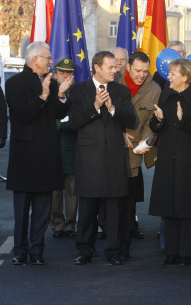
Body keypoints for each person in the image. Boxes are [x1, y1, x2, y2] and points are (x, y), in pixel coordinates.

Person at [6, 42, 72, 265]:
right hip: (25, 158)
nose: (51, 62)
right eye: (48, 58)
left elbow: (59, 113)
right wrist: (42, 96)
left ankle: (37, 251)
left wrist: (61, 95)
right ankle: (19, 250)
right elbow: (23, 114)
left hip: (47, 155)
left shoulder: (51, 83)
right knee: (22, 211)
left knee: (43, 210)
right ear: (35, 60)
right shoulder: (13, 83)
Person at [69, 51, 138, 266]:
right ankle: (85, 249)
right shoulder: (80, 91)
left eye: (115, 66)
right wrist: (96, 107)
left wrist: (112, 108)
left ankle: (114, 250)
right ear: (96, 67)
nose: (114, 70)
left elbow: (132, 120)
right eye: (109, 67)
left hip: (115, 158)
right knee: (88, 206)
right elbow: (74, 123)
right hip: (89, 158)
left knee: (114, 207)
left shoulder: (121, 91)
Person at [149, 59, 191, 266]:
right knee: (169, 207)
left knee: (188, 208)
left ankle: (185, 253)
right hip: (169, 158)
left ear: (185, 76)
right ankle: (170, 253)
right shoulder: (166, 95)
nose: (168, 77)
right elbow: (158, 127)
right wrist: (157, 120)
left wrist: (185, 119)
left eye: (173, 74)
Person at [116, 51, 161, 257]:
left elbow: (152, 121)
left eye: (145, 71)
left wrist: (146, 141)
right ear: (128, 68)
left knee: (127, 204)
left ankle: (123, 248)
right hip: (110, 150)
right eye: (137, 71)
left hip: (134, 152)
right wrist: (119, 134)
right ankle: (108, 242)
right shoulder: (115, 82)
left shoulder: (154, 89)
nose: (141, 75)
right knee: (108, 202)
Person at [50, 58, 78, 239]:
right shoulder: (49, 92)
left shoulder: (78, 93)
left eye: (68, 73)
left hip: (73, 148)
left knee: (72, 191)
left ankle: (69, 225)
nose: (65, 76)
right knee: (55, 192)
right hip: (53, 148)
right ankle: (57, 224)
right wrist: (60, 126)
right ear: (55, 74)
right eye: (62, 73)